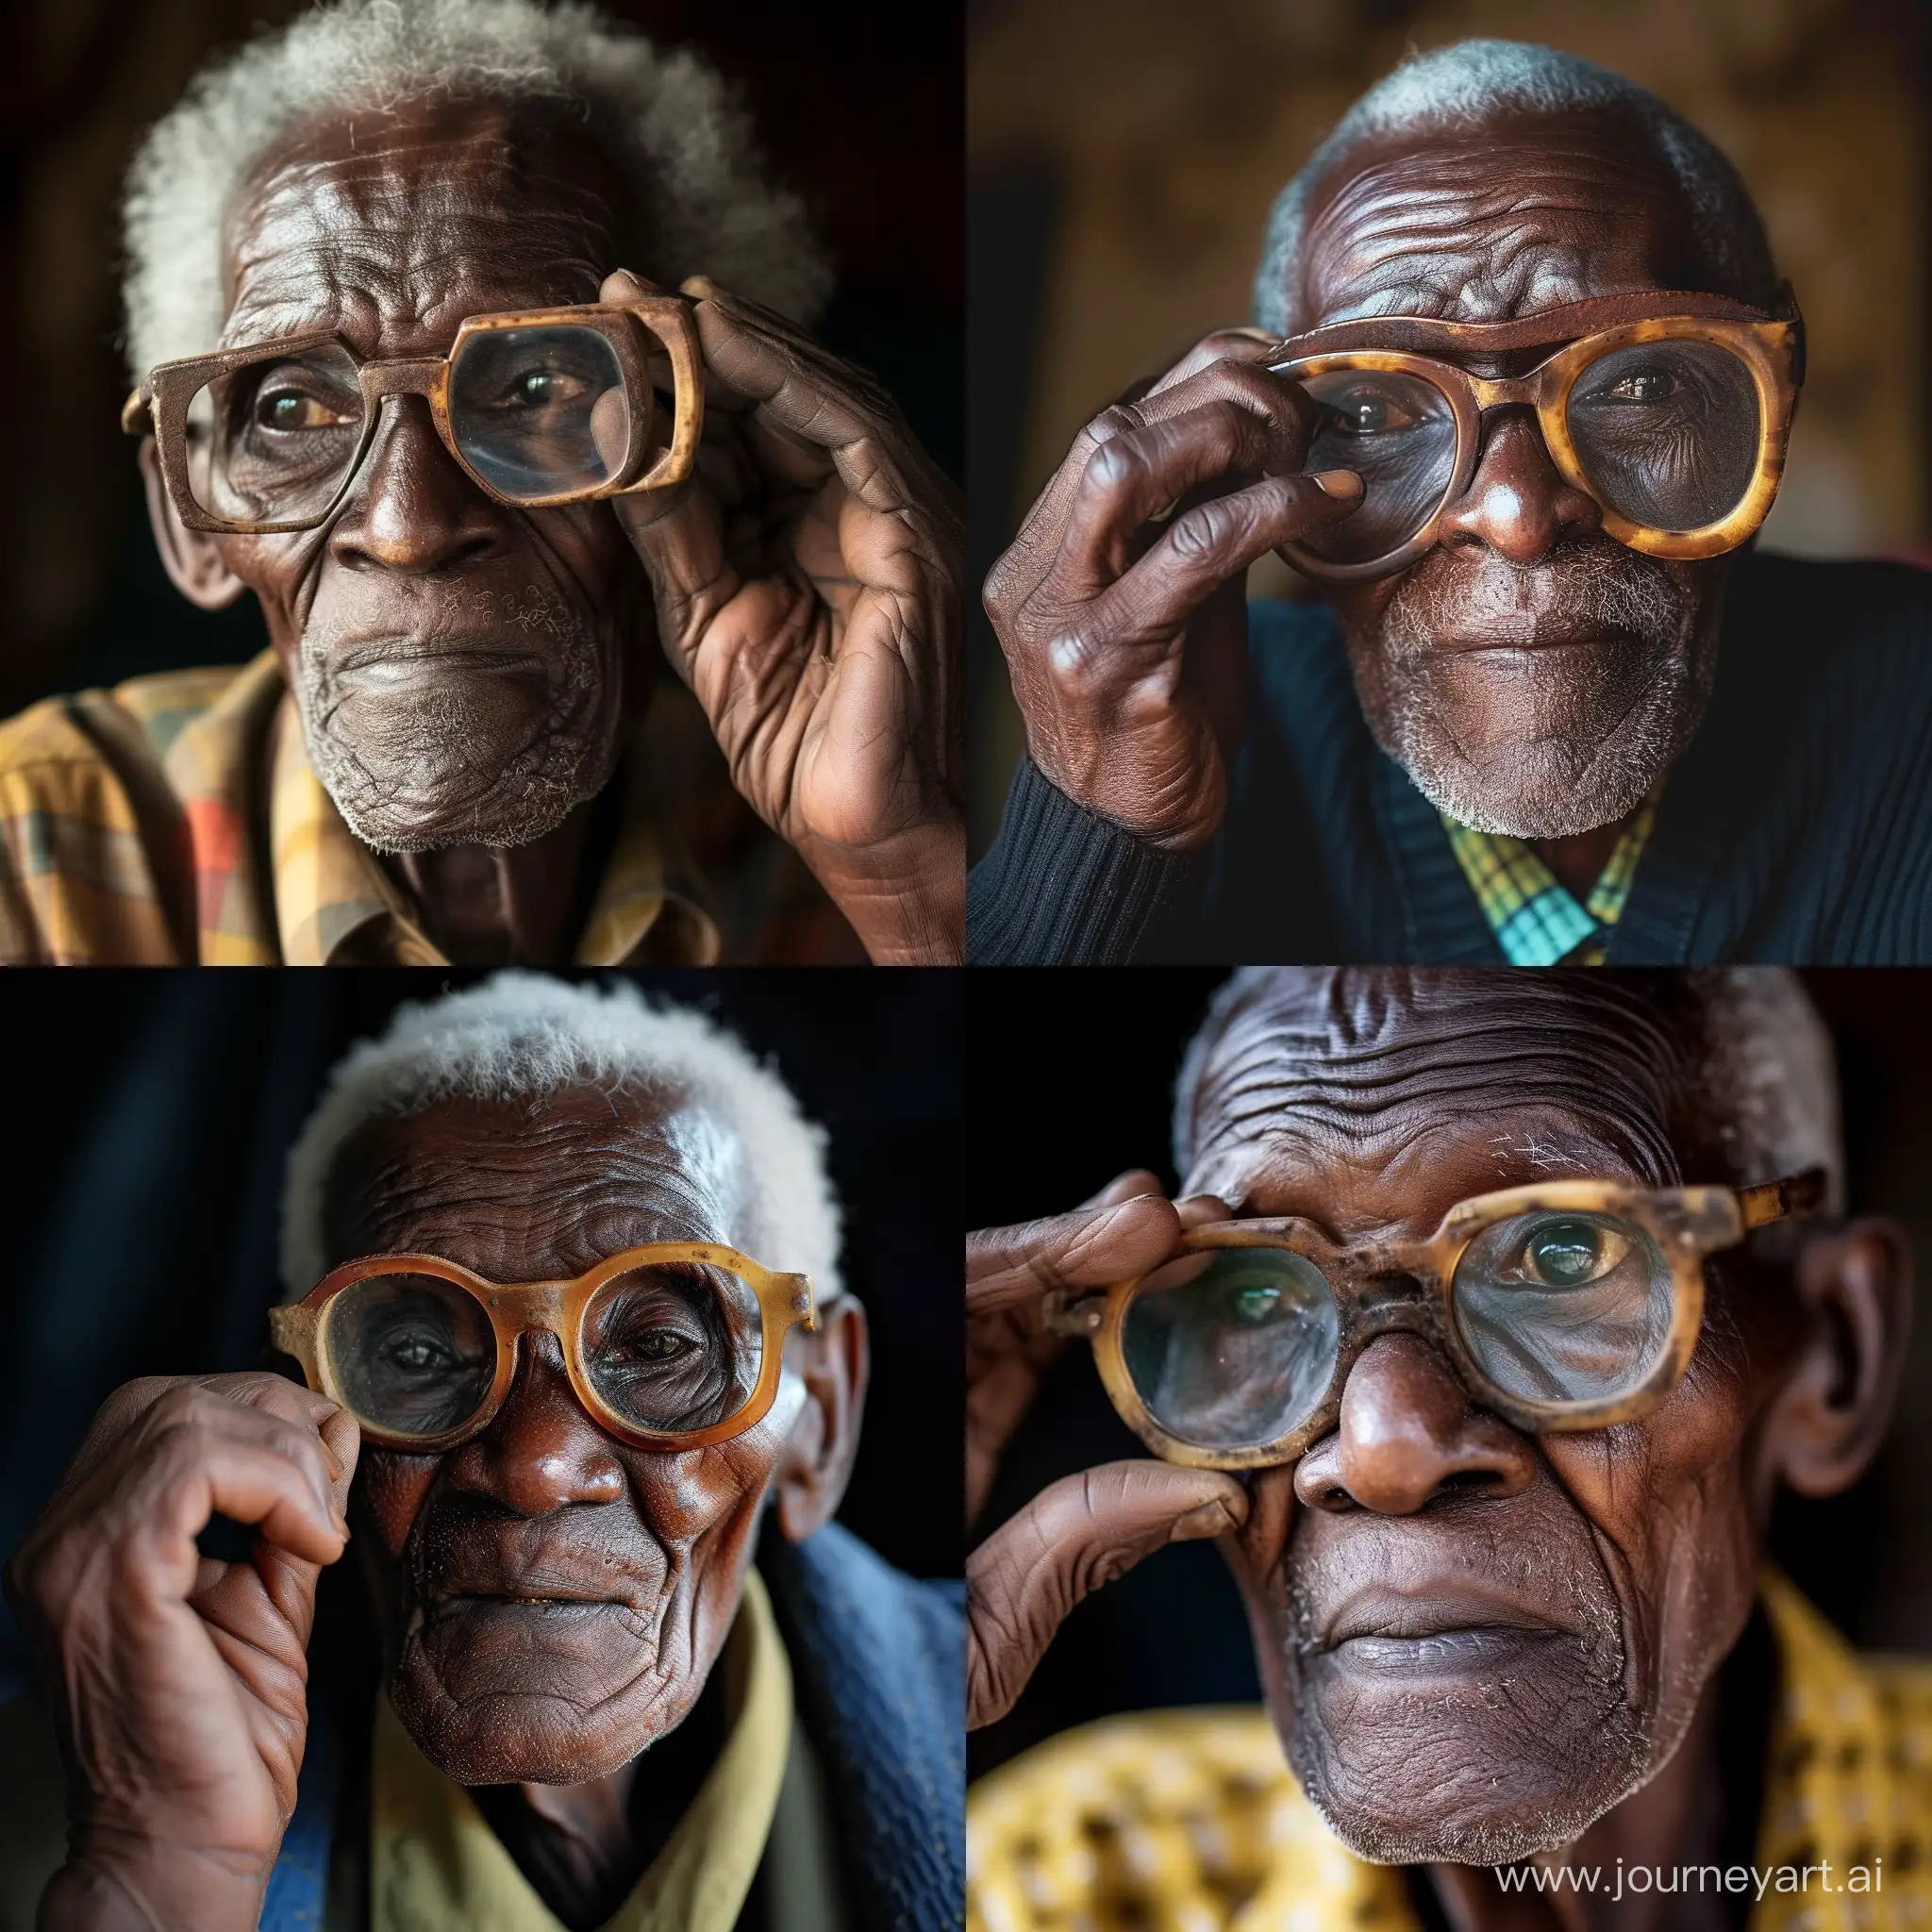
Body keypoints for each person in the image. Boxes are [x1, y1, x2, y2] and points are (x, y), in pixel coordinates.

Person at [0, 0, 963, 967]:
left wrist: (900, 885)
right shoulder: (35, 853)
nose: (407, 524)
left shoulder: (822, 837)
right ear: (186, 519)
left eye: (536, 385)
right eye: (293, 411)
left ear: (708, 448)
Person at [965, 968, 1932, 1928]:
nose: (1380, 1451)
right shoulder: (1043, 1888)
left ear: (1831, 1355)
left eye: (1563, 1256)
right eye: (1255, 1296)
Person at [1, 974, 962, 1931]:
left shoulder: (1037, 1773)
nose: (535, 1466)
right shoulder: (75, 1837)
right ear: (289, 1423)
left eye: (660, 1347)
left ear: (820, 1421)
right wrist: (166, 1873)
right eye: (416, 1355)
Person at [968, 40, 1932, 966]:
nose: (1514, 517)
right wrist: (1094, 827)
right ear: (1274, 448)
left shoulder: (1906, 714)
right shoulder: (1190, 732)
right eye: (1379, 410)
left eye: (1638, 387)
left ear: (1772, 396)